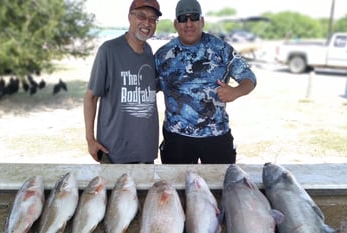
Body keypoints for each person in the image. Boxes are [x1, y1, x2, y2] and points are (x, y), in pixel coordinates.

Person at [154, 0, 257, 164]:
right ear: (175, 24)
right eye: (182, 18)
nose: (188, 23)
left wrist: (236, 91)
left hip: (216, 136)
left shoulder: (221, 49)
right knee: (177, 187)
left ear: (202, 21)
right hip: (176, 139)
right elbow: (147, 88)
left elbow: (249, 78)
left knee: (219, 186)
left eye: (194, 17)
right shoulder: (162, 55)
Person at [83, 0, 162, 164]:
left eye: (153, 19)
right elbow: (91, 97)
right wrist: (90, 140)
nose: (147, 23)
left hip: (146, 151)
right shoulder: (109, 50)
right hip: (114, 152)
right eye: (141, 16)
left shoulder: (149, 52)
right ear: (130, 17)